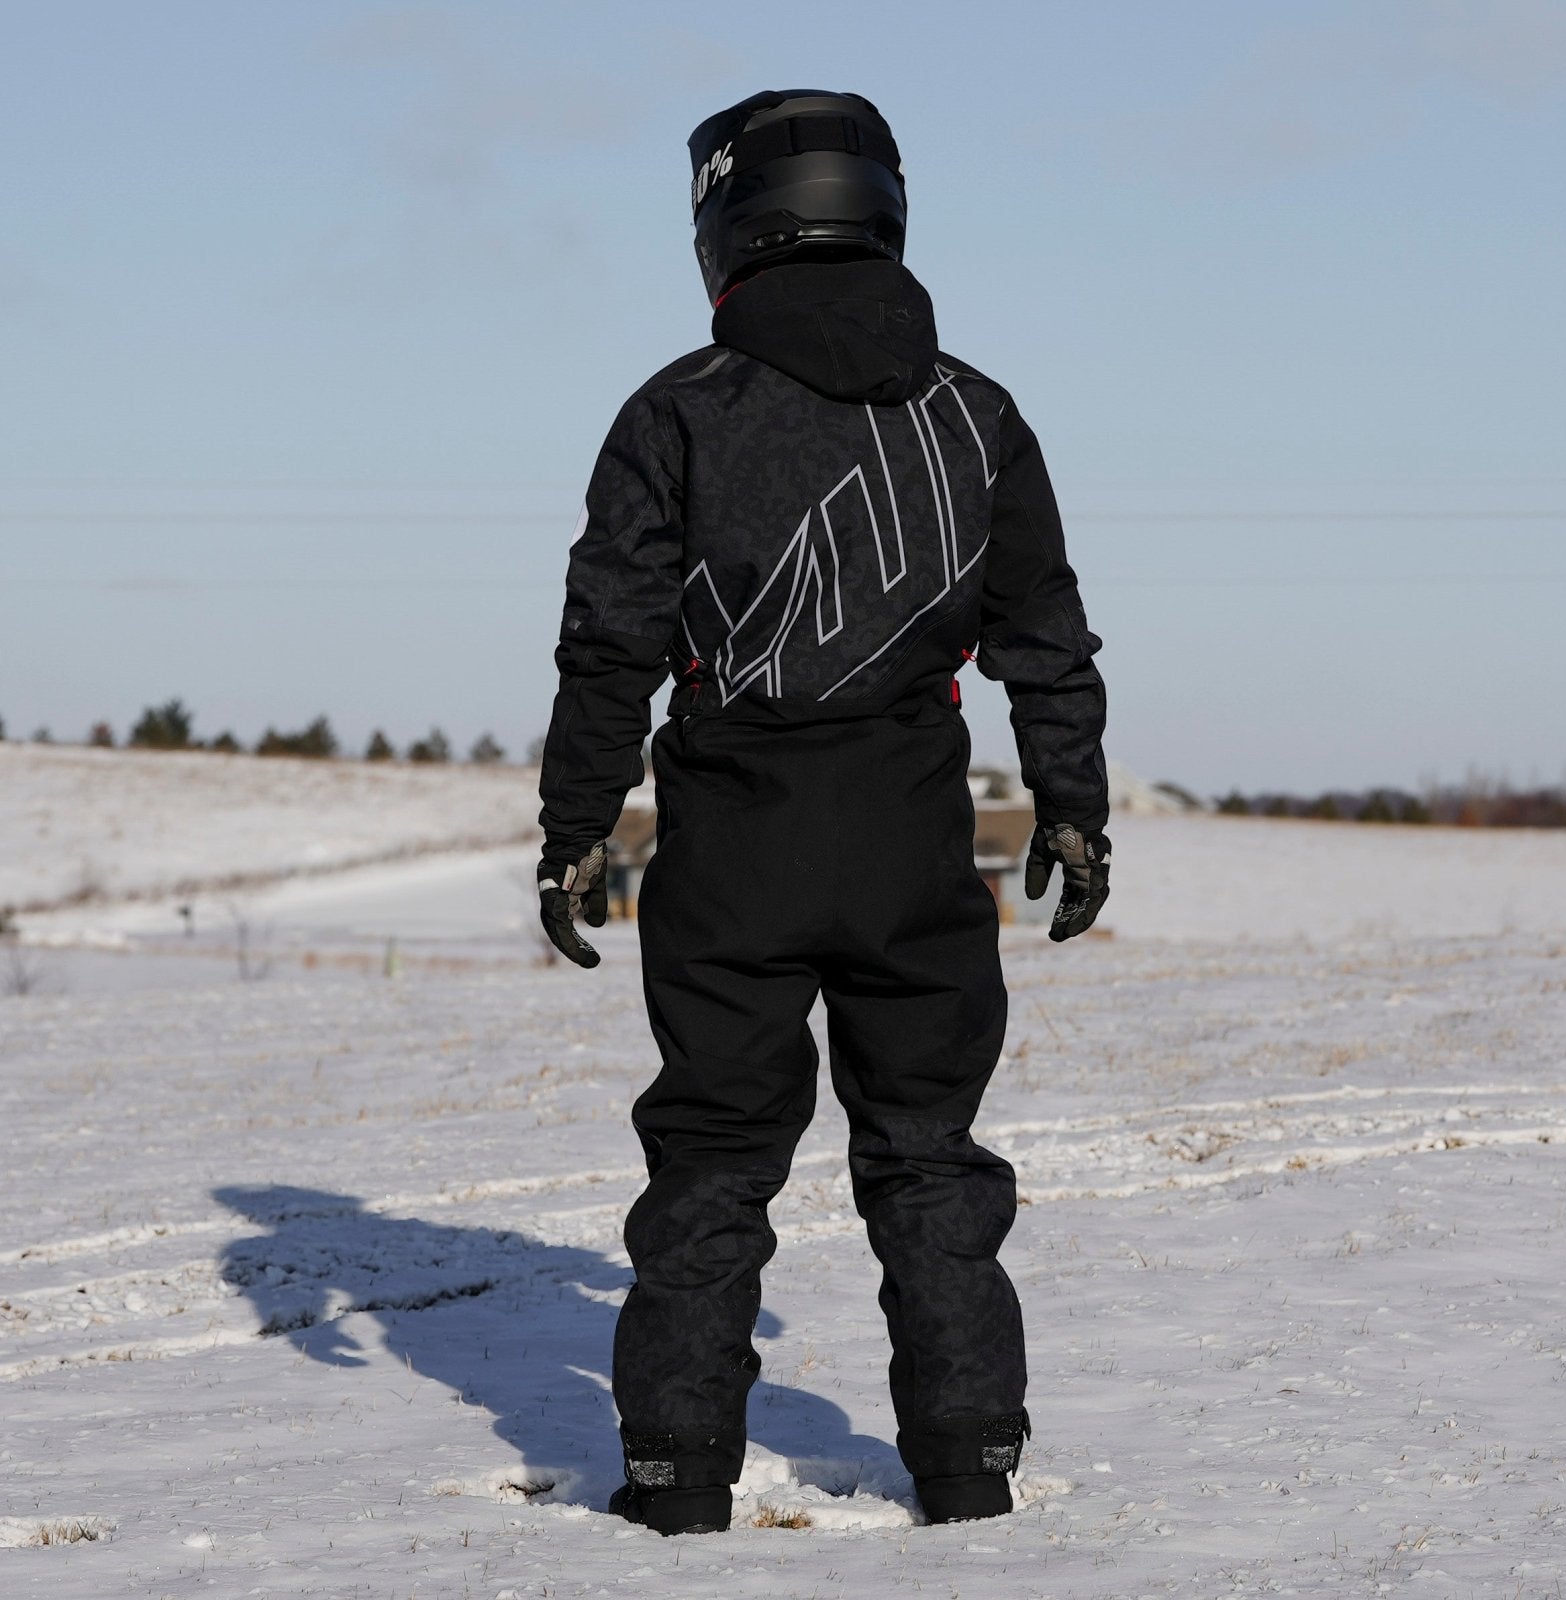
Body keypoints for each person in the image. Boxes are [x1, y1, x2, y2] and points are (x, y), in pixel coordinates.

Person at [533, 89, 1110, 1536]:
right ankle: (969, 1471)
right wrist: (1074, 805)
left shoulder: (674, 411)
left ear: (727, 228)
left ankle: (675, 1482)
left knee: (715, 1163)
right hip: (913, 845)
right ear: (883, 208)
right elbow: (1045, 629)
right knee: (928, 1156)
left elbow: (609, 640)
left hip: (732, 850)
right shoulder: (976, 414)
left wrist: (573, 823)